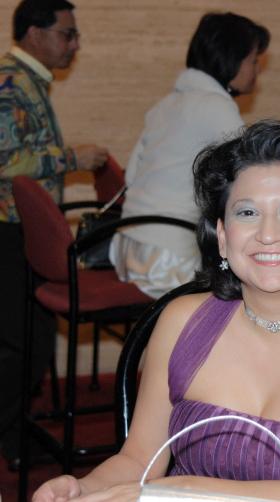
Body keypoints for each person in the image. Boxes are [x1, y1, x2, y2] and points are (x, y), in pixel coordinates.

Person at [33, 119, 280, 502]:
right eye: (246, 213)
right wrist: (83, 488)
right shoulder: (182, 320)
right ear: (224, 236)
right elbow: (137, 461)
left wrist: (181, 488)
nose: (268, 233)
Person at [0, 0, 108, 467]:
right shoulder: (11, 84)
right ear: (33, 34)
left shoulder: (28, 81)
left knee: (30, 339)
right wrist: (71, 158)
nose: (74, 44)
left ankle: (13, 436)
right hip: (7, 229)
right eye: (67, 34)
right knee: (22, 344)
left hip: (19, 230)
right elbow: (4, 162)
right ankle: (9, 438)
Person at [109, 12, 269, 299]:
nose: (256, 70)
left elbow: (132, 175)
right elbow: (249, 179)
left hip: (129, 245)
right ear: (232, 59)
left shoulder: (166, 104)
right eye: (253, 60)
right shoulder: (215, 106)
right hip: (168, 254)